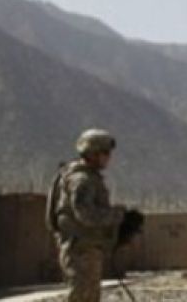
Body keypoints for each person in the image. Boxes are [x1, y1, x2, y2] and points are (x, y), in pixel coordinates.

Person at [46, 129, 126, 302]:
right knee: (82, 296)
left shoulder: (87, 177)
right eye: (105, 153)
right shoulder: (82, 180)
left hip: (85, 248)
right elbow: (86, 215)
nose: (109, 158)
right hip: (80, 249)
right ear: (93, 153)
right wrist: (116, 215)